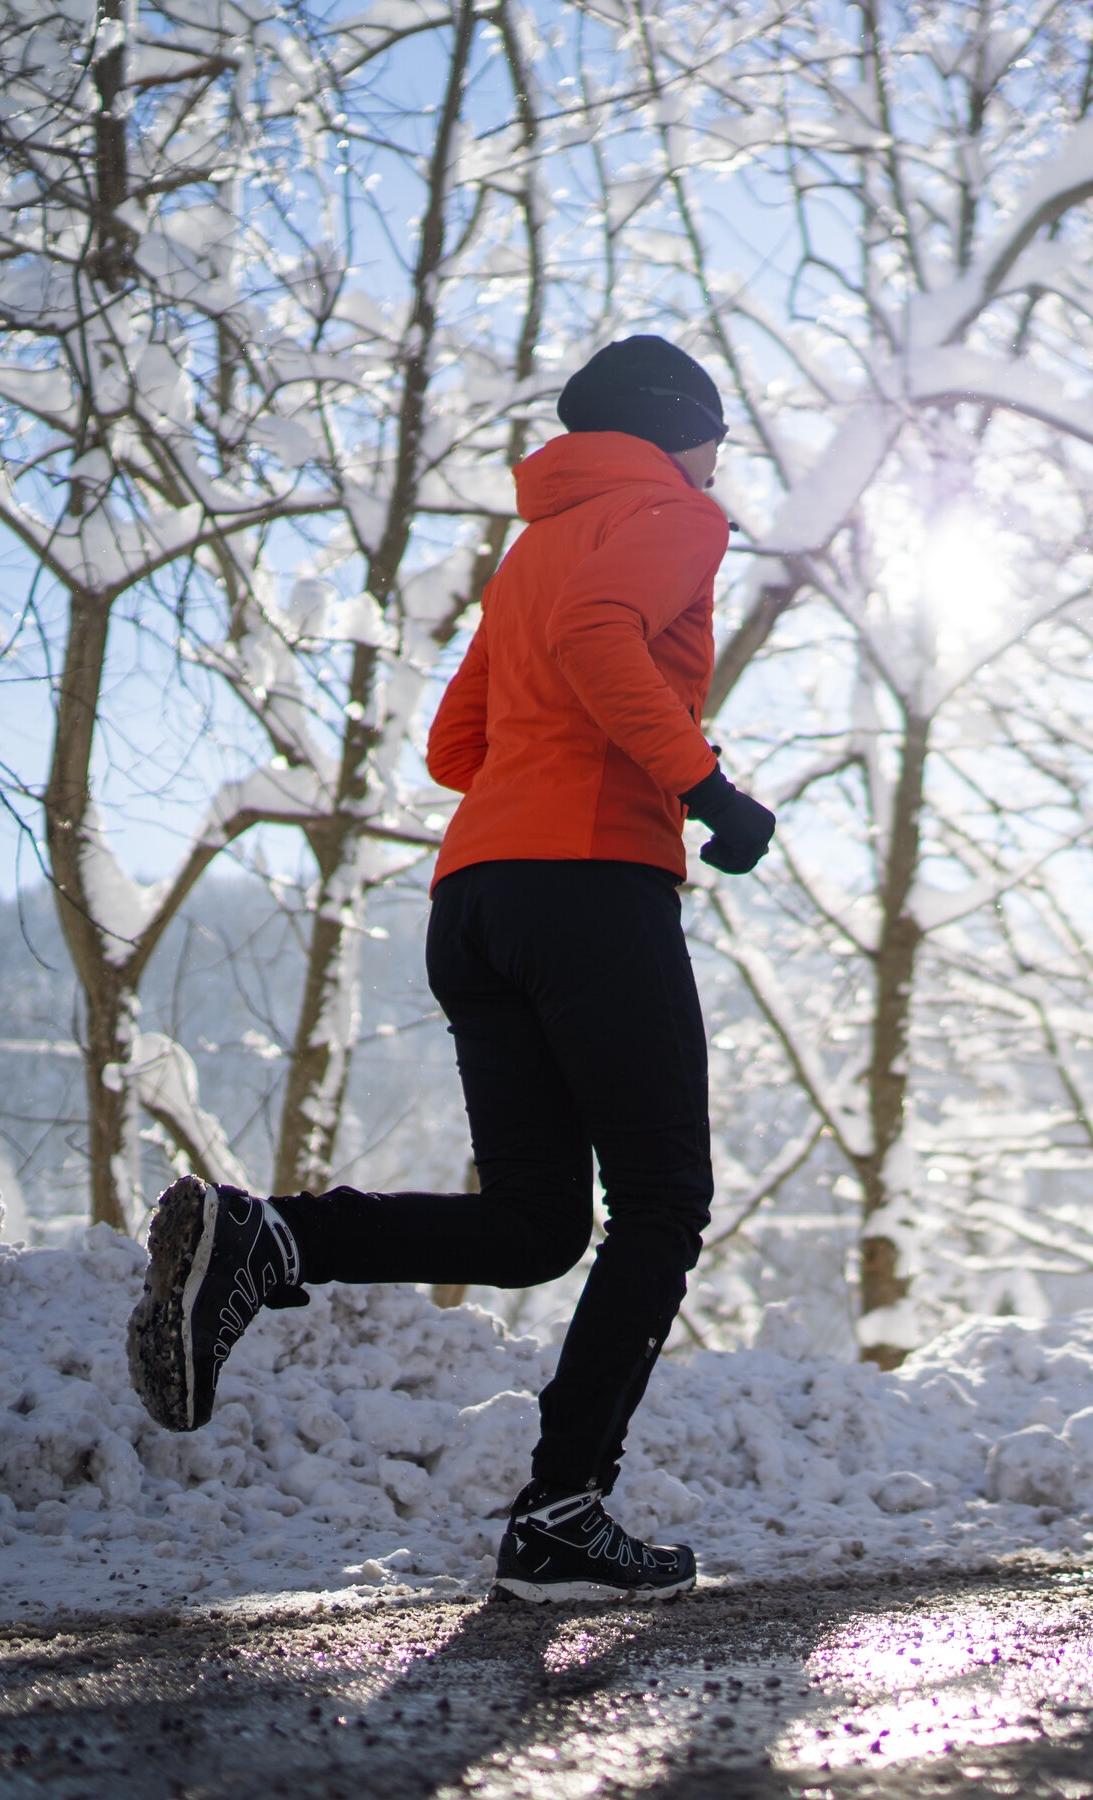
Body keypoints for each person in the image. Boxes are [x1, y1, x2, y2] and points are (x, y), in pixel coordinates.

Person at [126, 335, 775, 1604]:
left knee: (537, 1228)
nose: (719, 459)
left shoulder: (538, 543)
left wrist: (560, 783)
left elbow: (455, 743)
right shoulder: (673, 517)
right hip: (591, 888)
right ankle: (561, 1514)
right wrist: (704, 786)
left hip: (476, 896)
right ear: (671, 427)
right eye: (715, 432)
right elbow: (600, 644)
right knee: (662, 1202)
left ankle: (269, 1241)